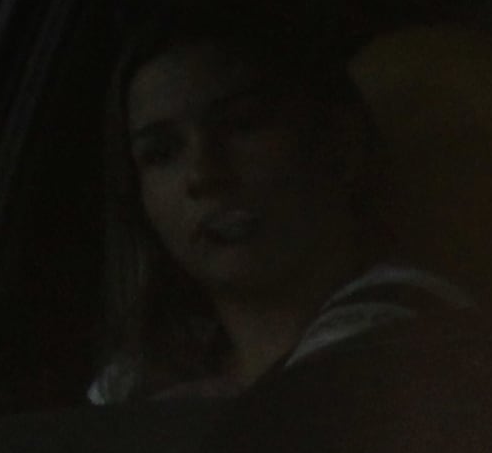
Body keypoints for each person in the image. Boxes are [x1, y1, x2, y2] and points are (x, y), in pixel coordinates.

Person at [95, 31, 459, 401]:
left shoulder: (406, 326)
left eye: (243, 125)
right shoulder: (137, 378)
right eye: (161, 153)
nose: (204, 175)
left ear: (340, 141)